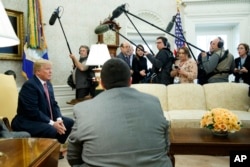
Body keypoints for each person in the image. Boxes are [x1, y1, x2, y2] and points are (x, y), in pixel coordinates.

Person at [67, 58, 172, 167]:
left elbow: (73, 156)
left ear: (102, 83)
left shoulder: (82, 109)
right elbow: (166, 145)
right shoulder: (153, 101)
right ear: (130, 81)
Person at [11, 59, 74, 159]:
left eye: (51, 69)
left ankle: (54, 149)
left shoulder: (48, 84)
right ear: (38, 71)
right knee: (52, 129)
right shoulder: (30, 85)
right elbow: (32, 111)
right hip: (27, 121)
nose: (51, 71)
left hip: (44, 118)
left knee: (69, 122)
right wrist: (53, 123)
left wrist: (58, 119)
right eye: (47, 69)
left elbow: (54, 104)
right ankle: (45, 154)